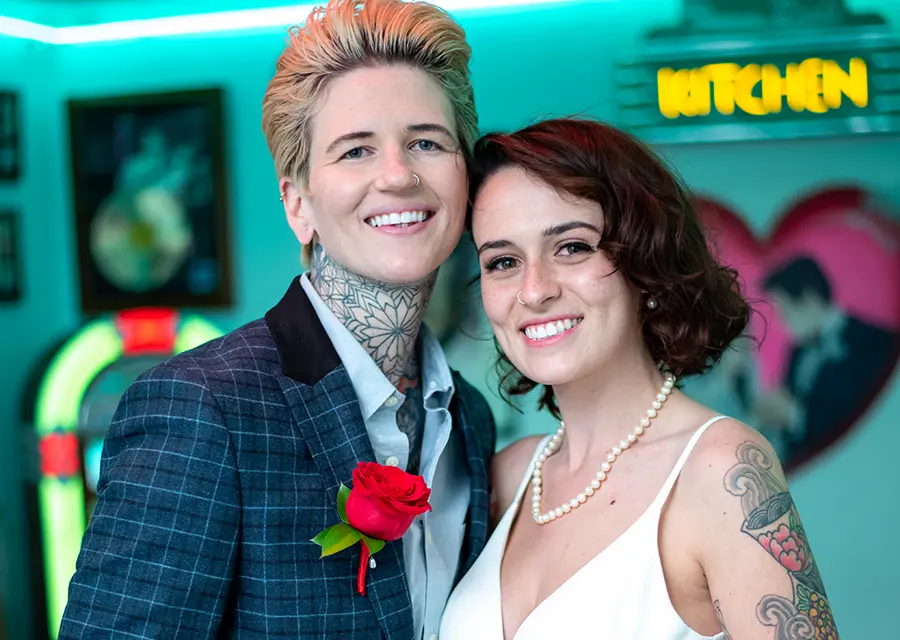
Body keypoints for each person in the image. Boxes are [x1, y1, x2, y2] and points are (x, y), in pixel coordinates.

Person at [59, 1, 495, 639]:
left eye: (426, 142)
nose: (399, 175)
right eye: (356, 151)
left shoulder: (469, 418)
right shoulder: (199, 407)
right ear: (298, 204)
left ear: (464, 177)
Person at [440, 119, 839, 639]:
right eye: (503, 261)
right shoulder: (507, 476)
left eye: (572, 247)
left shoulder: (722, 470)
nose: (534, 290)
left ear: (645, 261)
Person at [758, 255, 899, 464]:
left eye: (785, 311)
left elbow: (867, 421)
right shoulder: (799, 349)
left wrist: (794, 415)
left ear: (810, 300)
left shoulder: (877, 343)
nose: (781, 322)